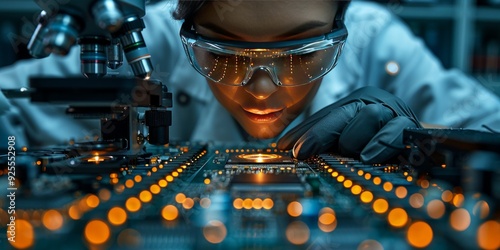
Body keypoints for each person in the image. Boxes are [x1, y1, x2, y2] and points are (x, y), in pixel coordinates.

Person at [0, 0, 499, 163]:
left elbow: (489, 131)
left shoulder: (377, 41)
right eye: (224, 54)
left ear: (344, 33)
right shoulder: (147, 43)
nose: (261, 90)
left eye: (301, 53)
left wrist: (427, 140)